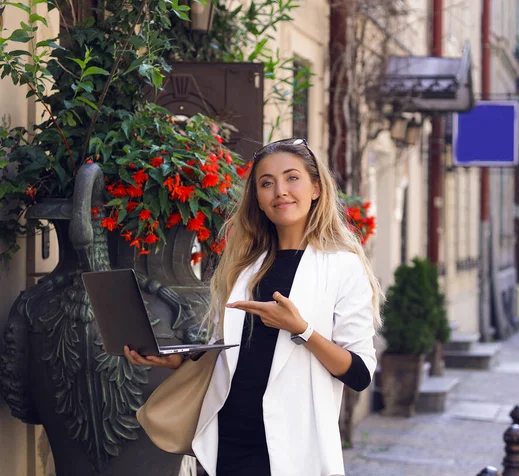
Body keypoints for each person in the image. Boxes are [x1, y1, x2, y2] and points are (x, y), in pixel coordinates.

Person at [124, 138, 382, 476]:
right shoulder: (244, 267)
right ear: (258, 199)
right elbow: (234, 356)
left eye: (292, 178)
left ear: (316, 188)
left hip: (292, 448)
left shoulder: (342, 266)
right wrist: (177, 360)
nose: (280, 191)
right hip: (228, 439)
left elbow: (360, 373)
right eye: (266, 183)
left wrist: (301, 329)